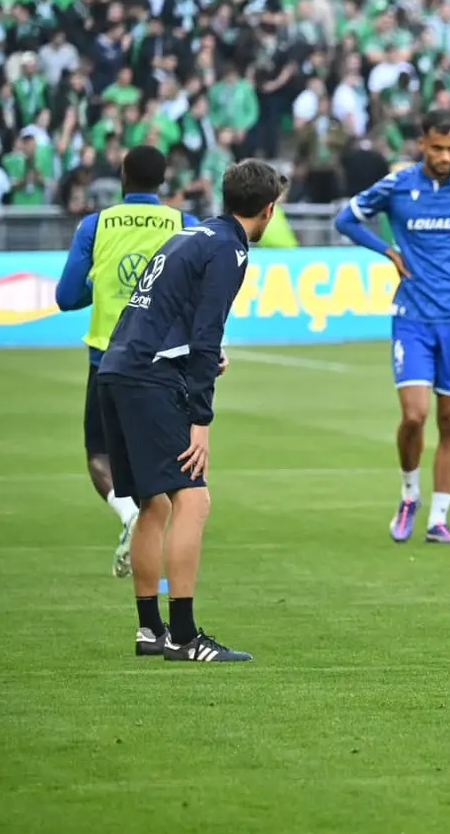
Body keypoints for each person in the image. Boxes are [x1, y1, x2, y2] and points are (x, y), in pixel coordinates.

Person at [97, 159, 286, 661]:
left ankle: (148, 631)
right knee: (192, 500)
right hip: (149, 376)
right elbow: (207, 335)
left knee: (152, 504)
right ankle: (182, 635)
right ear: (269, 209)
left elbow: (159, 309)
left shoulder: (195, 233)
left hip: (116, 368)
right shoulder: (230, 249)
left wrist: (190, 356)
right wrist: (201, 421)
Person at [334, 109, 450, 545]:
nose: (445, 156)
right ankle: (408, 494)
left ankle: (439, 518)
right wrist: (387, 250)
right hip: (413, 318)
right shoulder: (398, 186)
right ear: (422, 144)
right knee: (415, 415)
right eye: (437, 148)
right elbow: (346, 219)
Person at [54, 145, 199, 577]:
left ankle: (128, 515)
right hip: (164, 362)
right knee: (167, 474)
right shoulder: (183, 224)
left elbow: (65, 297)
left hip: (108, 360)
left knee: (100, 455)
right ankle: (169, 589)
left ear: (122, 175)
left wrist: (98, 290)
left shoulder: (95, 225)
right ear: (164, 179)